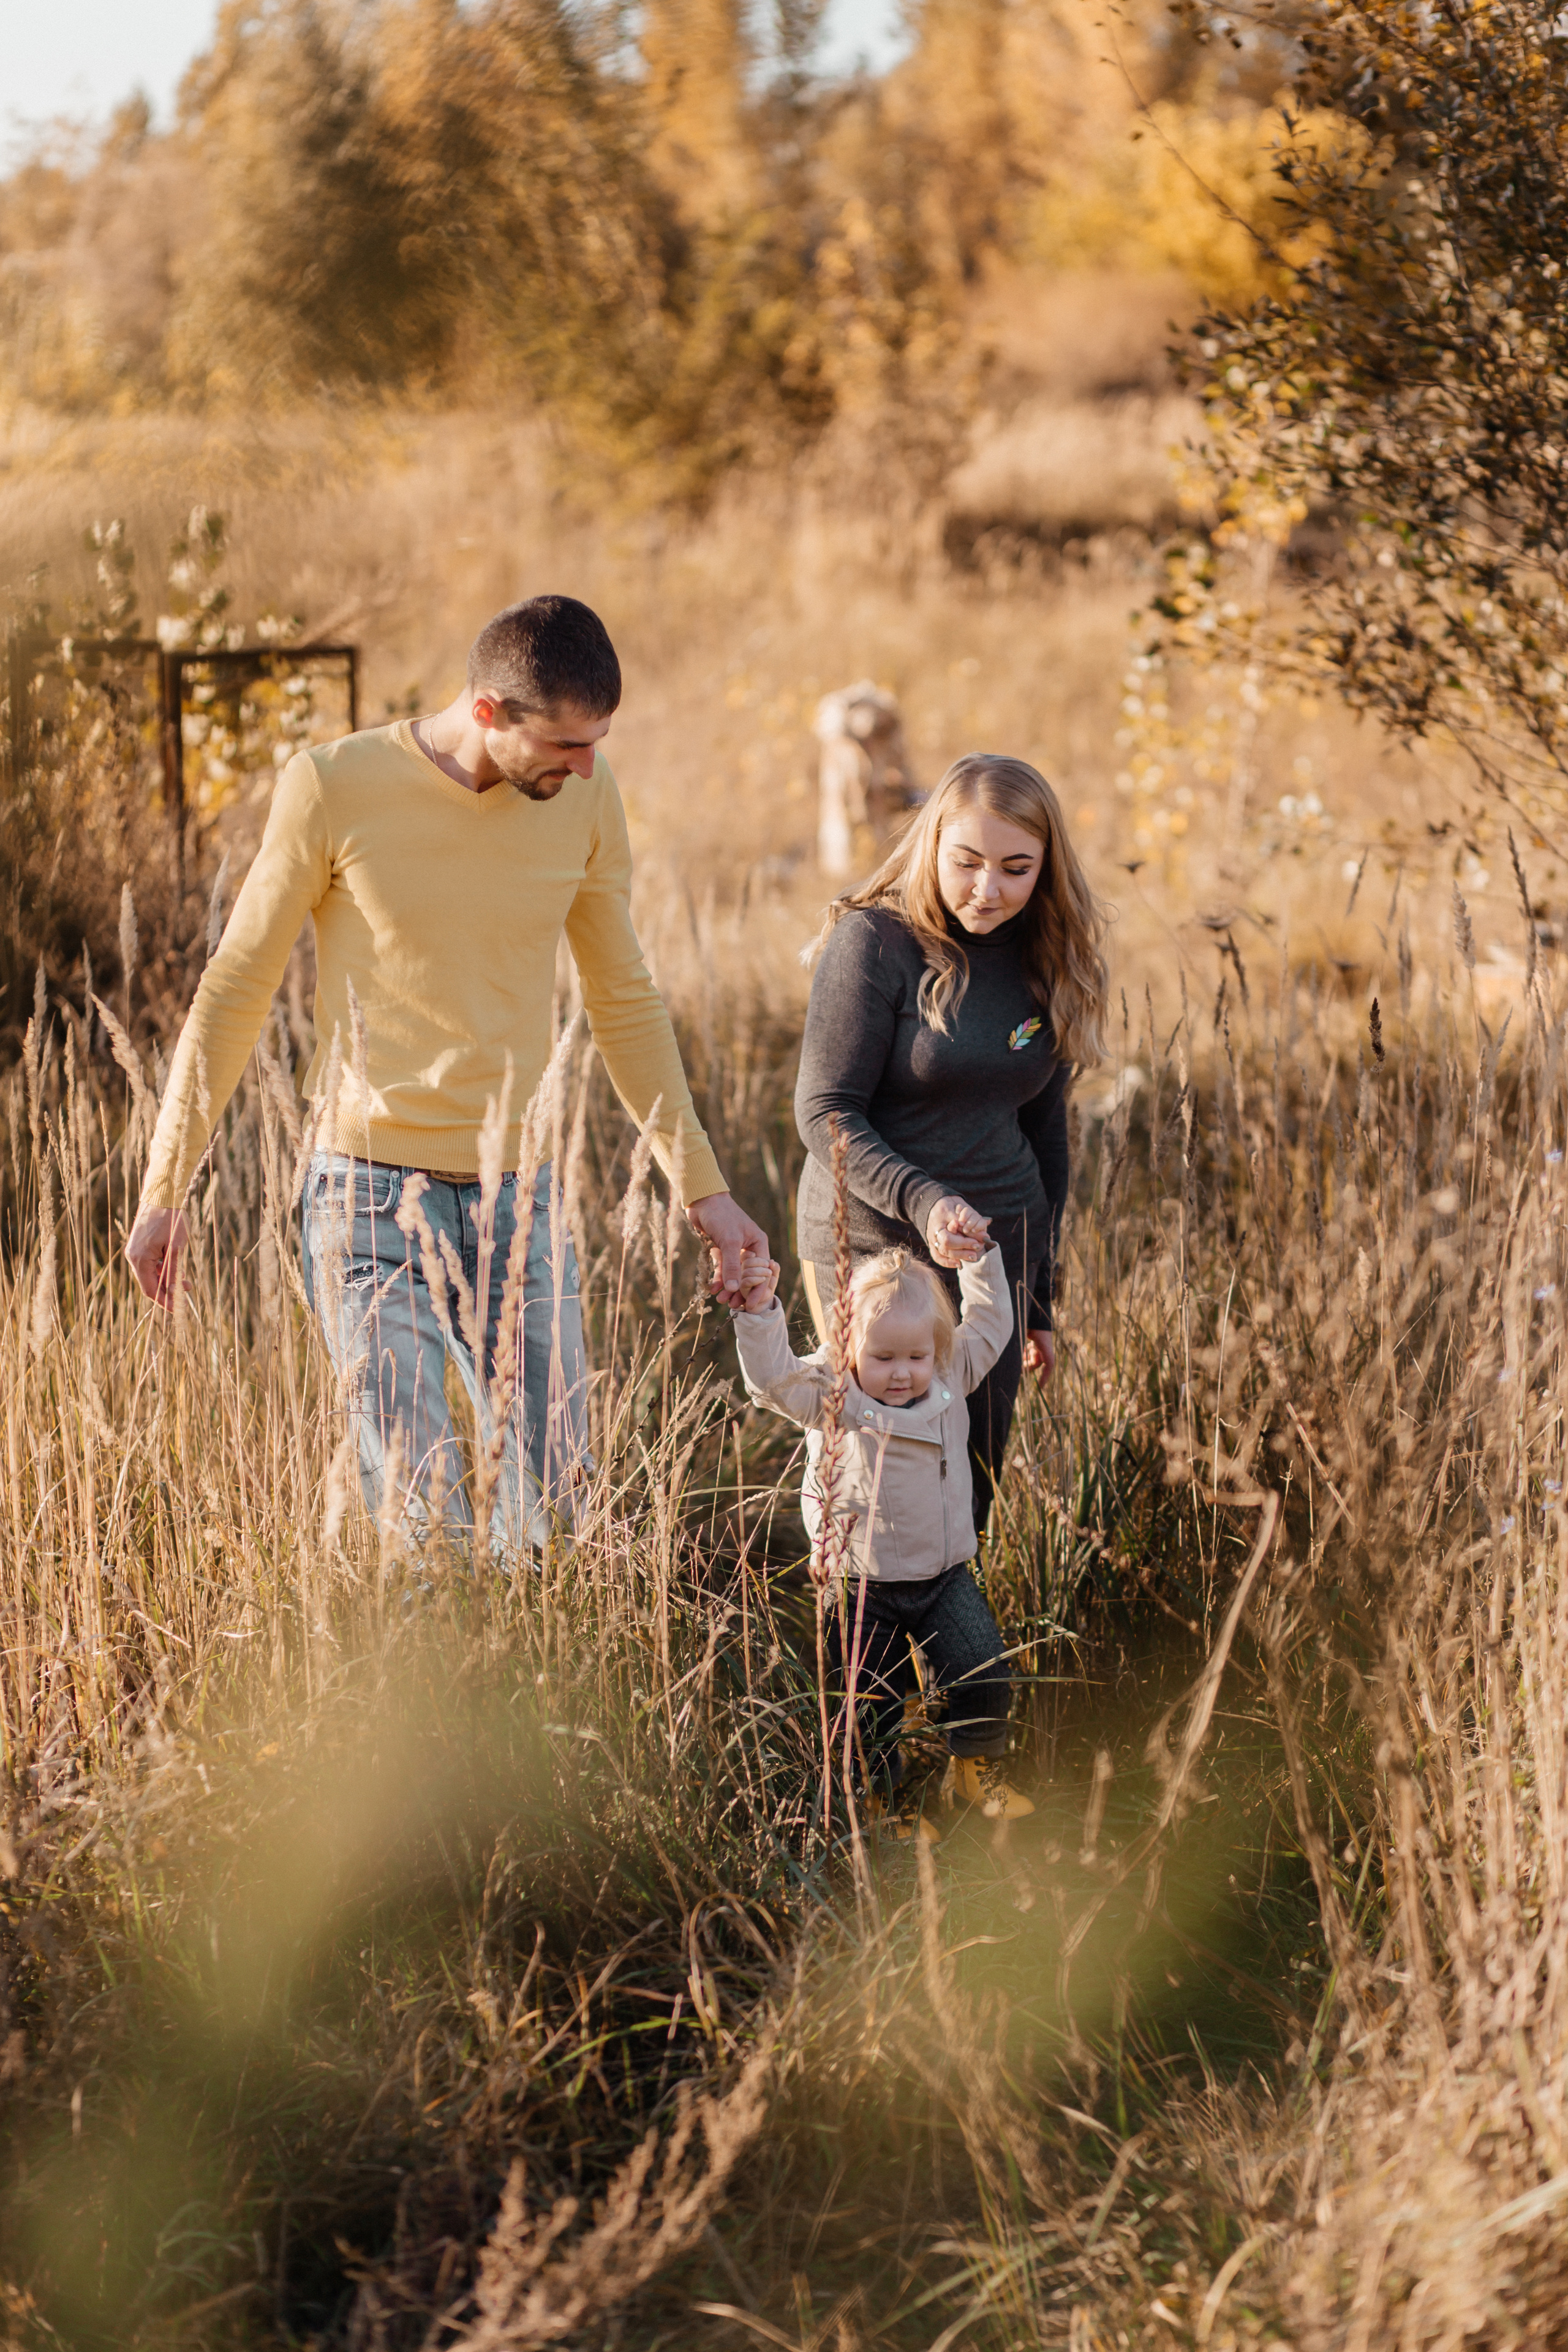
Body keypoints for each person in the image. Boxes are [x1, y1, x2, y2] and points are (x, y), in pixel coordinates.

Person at [127, 595, 767, 1555]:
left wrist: (702, 1187)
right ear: (486, 711)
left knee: (558, 1525)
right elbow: (234, 991)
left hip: (523, 1203)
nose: (585, 765)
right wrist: (165, 1185)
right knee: (430, 1523)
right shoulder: (333, 785)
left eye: (597, 742)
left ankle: (542, 1707)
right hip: (369, 1202)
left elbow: (623, 998)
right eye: (563, 744)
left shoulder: (587, 798)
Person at [794, 753, 1110, 1509]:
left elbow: (1047, 1135)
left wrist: (1039, 1303)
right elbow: (825, 1110)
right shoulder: (874, 943)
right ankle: (854, 1630)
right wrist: (926, 1203)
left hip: (996, 1260)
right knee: (877, 1487)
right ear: (931, 844)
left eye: (1015, 868)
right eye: (966, 862)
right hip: (872, 1247)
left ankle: (949, 1631)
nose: (987, 889)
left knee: (970, 1482)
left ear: (1045, 867)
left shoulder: (1048, 958)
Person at [732, 1240, 1035, 1834]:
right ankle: (877, 1802)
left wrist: (978, 1257)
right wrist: (759, 1310)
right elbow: (769, 1381)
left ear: (937, 1350)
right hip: (860, 1585)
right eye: (883, 1357)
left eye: (916, 1356)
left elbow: (994, 1319)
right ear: (848, 1347)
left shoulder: (951, 1377)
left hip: (943, 1576)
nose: (902, 1373)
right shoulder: (829, 1396)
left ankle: (974, 1768)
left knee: (983, 1668)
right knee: (869, 1703)